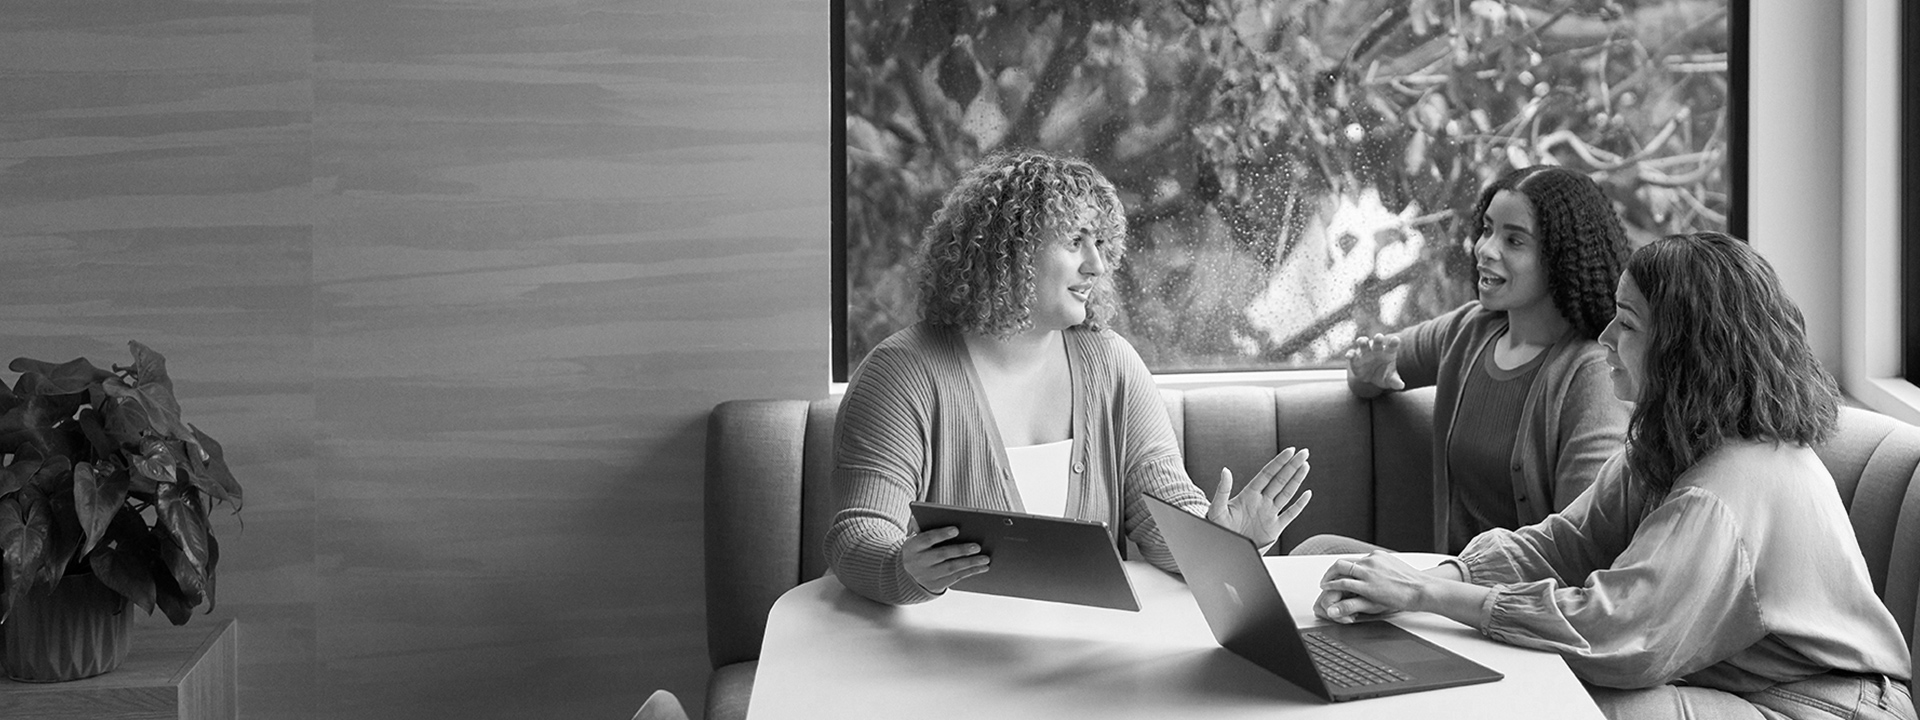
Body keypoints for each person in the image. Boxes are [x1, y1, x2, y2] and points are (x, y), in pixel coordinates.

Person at [1313, 233, 1916, 720]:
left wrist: (1428, 595)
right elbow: (1563, 544)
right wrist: (1441, 576)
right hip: (1736, 687)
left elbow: (1618, 636)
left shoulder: (1723, 489)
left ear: (1684, 350)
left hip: (1827, 707)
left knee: (1575, 702)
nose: (1604, 338)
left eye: (1625, 324)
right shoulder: (1668, 444)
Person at [824, 149, 1313, 605]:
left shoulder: (1112, 364)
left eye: (1100, 243)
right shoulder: (903, 372)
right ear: (1006, 250)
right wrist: (903, 569)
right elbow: (858, 533)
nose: (1096, 264)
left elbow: (1162, 515)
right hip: (930, 661)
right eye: (1073, 240)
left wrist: (1221, 538)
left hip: (1079, 661)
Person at [1313, 165, 1631, 554]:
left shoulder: (1593, 374)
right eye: (1486, 229)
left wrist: (1454, 591)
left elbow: (1579, 545)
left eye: (1514, 241)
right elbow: (1372, 370)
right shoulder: (1468, 331)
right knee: (1315, 552)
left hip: (1510, 601)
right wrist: (1366, 373)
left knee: (1319, 554)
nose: (1485, 249)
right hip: (1448, 587)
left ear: (1564, 258)